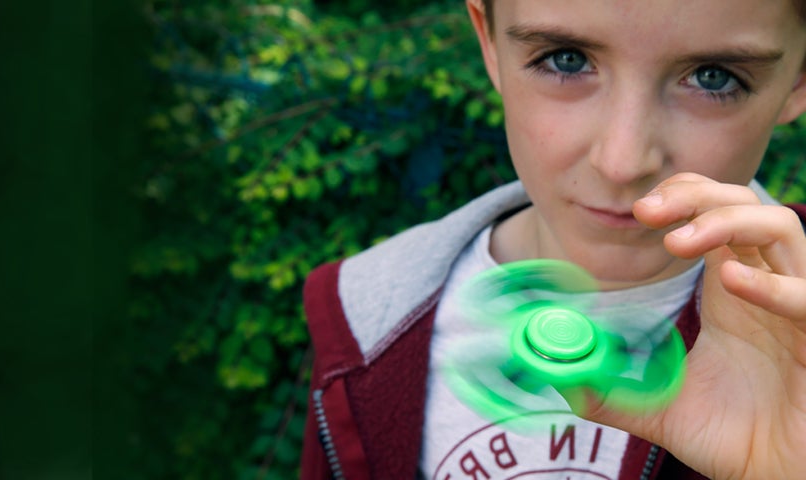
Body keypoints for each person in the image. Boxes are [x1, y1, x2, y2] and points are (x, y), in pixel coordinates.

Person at [300, 0, 806, 479]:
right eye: (567, 59)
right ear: (489, 39)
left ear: (799, 78)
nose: (622, 162)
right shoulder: (366, 326)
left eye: (713, 77)